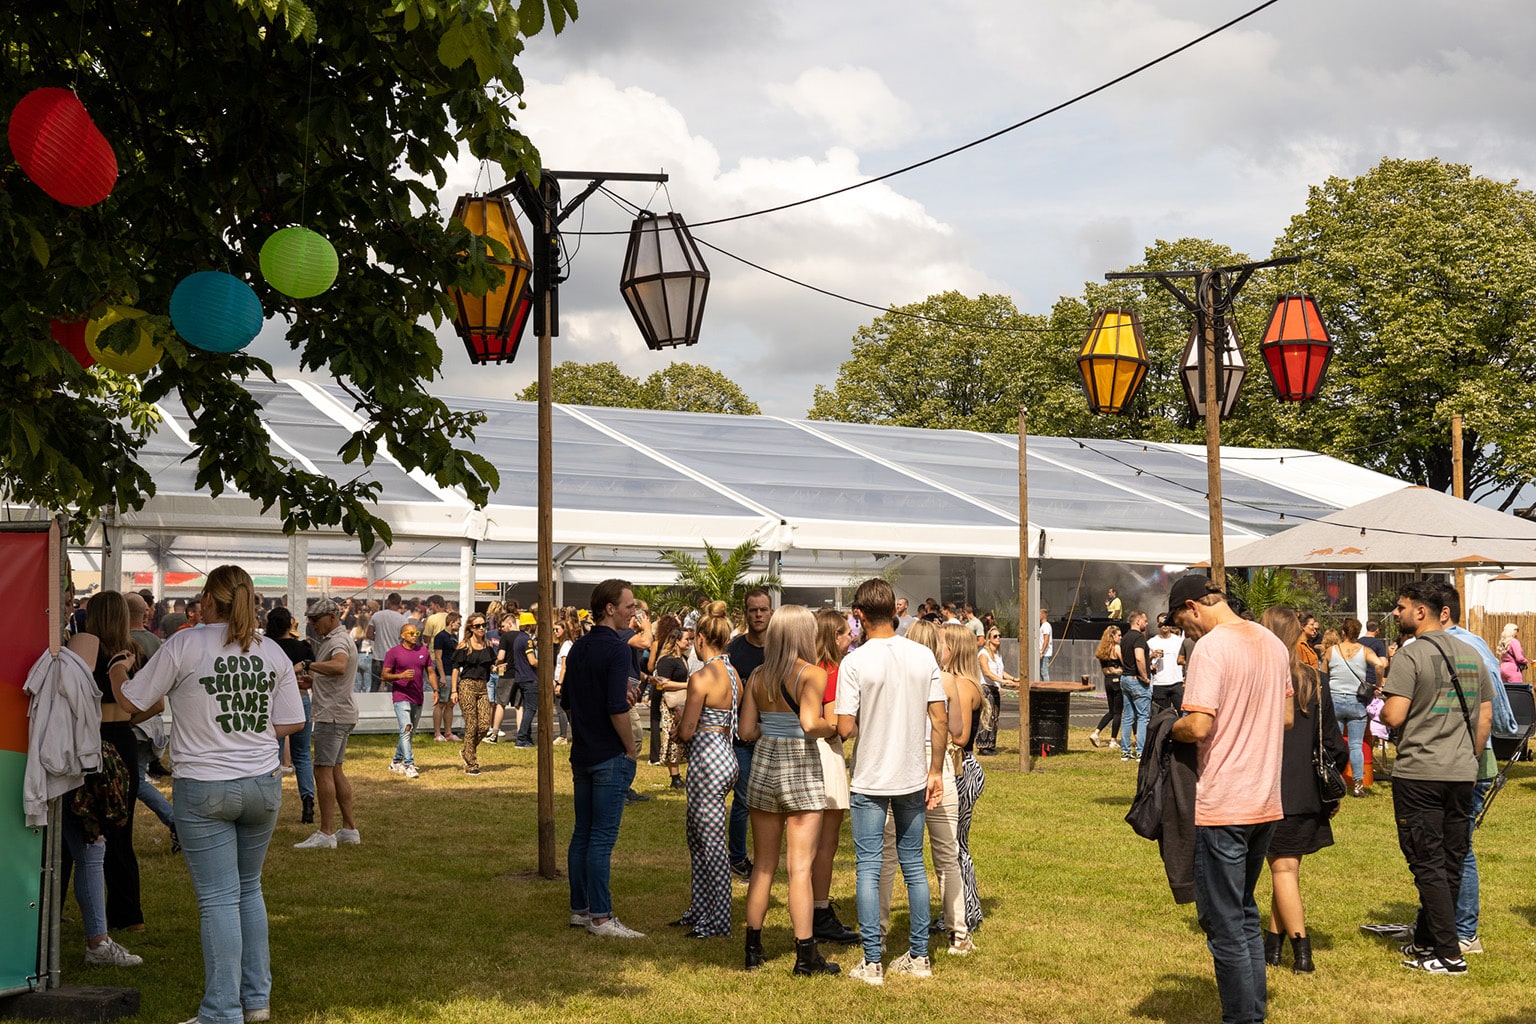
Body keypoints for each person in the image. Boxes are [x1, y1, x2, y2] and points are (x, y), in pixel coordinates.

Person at [120, 564, 306, 1024]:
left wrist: (117, 669)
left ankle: (222, 1011)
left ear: (208, 597)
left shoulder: (184, 643)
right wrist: (250, 732)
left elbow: (132, 701)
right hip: (262, 783)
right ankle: (256, 1000)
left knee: (220, 898)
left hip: (204, 785)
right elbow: (292, 721)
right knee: (248, 890)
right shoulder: (272, 652)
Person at [1166, 575, 1293, 1024]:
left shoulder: (1212, 647)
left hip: (1223, 800)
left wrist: (1166, 728)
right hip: (1265, 799)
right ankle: (1252, 1011)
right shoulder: (1274, 644)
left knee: (1224, 924)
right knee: (1242, 913)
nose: (1187, 633)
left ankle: (1243, 1018)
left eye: (1183, 623)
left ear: (1193, 607)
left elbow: (1198, 726)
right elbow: (1287, 716)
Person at [1374, 580, 1494, 975]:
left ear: (1421, 611)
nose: (1396, 613)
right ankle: (1428, 942)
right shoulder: (1473, 654)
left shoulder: (1411, 656)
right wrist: (1468, 758)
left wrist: (1381, 706)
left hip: (1420, 772)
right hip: (1462, 772)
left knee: (1427, 862)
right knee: (1450, 861)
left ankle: (1448, 955)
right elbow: (1486, 718)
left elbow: (1393, 715)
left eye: (1401, 606)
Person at [835, 578, 948, 986]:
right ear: (897, 612)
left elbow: (845, 727)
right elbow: (940, 720)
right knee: (914, 866)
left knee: (868, 867)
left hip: (869, 775)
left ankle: (872, 962)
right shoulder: (923, 656)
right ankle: (919, 957)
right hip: (912, 774)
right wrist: (935, 770)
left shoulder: (855, 661)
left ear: (860, 615)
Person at [738, 605, 839, 976]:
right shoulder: (812, 674)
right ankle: (805, 955)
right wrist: (833, 727)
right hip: (800, 767)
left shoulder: (759, 675)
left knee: (763, 865)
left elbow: (747, 730)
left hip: (764, 765)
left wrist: (773, 727)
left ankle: (753, 948)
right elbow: (811, 723)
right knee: (800, 867)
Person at [61, 592, 155, 967]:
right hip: (123, 741)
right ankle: (129, 914)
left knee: (80, 834)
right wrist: (125, 718)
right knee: (120, 832)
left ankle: (59, 909)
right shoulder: (133, 652)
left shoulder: (84, 649)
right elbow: (157, 702)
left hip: (93, 742)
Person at [1258, 607, 1347, 974]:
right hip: (1308, 788)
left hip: (1270, 786)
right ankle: (1272, 947)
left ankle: (1302, 954)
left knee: (1283, 871)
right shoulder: (1316, 680)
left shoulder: (1262, 679)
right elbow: (1334, 744)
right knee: (1287, 869)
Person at [562, 579, 645, 939]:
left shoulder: (578, 647)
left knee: (583, 833)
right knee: (600, 838)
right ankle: (600, 916)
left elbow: (567, 699)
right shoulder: (617, 649)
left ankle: (581, 909)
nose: (634, 613)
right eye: (629, 606)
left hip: (582, 752)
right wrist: (630, 747)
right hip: (608, 754)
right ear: (609, 608)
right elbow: (615, 707)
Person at [672, 602, 741, 939]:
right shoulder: (732, 673)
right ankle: (701, 908)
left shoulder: (701, 676)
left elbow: (687, 730)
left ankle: (717, 919)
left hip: (707, 758)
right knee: (698, 835)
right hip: (725, 753)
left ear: (700, 639)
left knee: (709, 841)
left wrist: (681, 724)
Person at [294, 598, 361, 849]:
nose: (312, 625)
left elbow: (340, 666)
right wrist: (313, 682)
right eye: (309, 620)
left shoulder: (338, 641)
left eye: (315, 620)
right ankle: (349, 829)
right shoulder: (337, 639)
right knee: (335, 770)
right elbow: (334, 674)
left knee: (322, 771)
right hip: (341, 713)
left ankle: (326, 832)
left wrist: (308, 665)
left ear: (332, 617)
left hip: (331, 715)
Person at [940, 622, 986, 950]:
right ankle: (959, 910)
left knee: (957, 845)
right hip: (960, 768)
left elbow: (960, 737)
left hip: (963, 769)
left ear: (953, 648)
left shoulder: (963, 685)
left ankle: (967, 911)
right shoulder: (957, 682)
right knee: (955, 844)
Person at [726, 588, 773, 880]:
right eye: (753, 610)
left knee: (769, 799)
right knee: (743, 799)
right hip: (740, 738)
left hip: (772, 735)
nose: (758, 615)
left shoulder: (779, 649)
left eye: (763, 609)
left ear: (771, 612)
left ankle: (766, 857)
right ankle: (738, 857)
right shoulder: (733, 650)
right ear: (746, 613)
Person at [1323, 619, 1389, 798]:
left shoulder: (1331, 651)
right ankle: (1358, 784)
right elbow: (1380, 664)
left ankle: (1331, 780)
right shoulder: (1365, 651)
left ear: (1343, 632)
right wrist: (1376, 684)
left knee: (1331, 743)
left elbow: (1323, 675)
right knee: (1355, 745)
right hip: (1356, 701)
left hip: (1335, 700)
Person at [265, 607, 316, 824]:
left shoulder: (266, 647)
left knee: (272, 754)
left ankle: (271, 805)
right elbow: (311, 676)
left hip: (273, 700)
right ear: (290, 624)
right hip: (300, 697)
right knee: (302, 754)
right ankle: (308, 804)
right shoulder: (302, 647)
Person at [383, 623, 435, 778]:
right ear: (403, 635)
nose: (415, 635)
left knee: (409, 733)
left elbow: (430, 672)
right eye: (411, 633)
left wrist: (436, 690)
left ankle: (395, 762)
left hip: (417, 696)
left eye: (416, 632)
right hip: (401, 696)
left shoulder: (423, 651)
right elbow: (384, 675)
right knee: (406, 728)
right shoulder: (394, 653)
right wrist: (401, 676)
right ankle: (409, 764)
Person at [451, 614, 496, 775]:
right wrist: (454, 690)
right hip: (467, 686)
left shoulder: (488, 645)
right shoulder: (465, 645)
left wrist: (496, 668)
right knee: (472, 725)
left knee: (484, 725)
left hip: (482, 686)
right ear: (471, 628)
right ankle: (471, 763)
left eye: (483, 625)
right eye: (478, 626)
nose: (482, 628)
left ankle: (466, 751)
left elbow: (491, 665)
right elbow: (456, 668)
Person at [649, 617, 690, 789]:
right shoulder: (667, 661)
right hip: (671, 705)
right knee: (673, 738)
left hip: (683, 703)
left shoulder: (682, 659)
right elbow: (662, 683)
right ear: (676, 641)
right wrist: (688, 684)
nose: (689, 642)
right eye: (686, 639)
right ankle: (675, 777)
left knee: (682, 739)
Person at [1119, 611, 1153, 761]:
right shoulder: (1139, 637)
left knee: (1127, 717)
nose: (1147, 623)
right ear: (1138, 621)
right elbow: (1139, 658)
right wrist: (1145, 677)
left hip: (1125, 678)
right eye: (1145, 620)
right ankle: (1141, 751)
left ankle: (1125, 751)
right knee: (1143, 717)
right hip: (1137, 681)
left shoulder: (1125, 637)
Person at [976, 627, 1013, 755]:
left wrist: (1013, 679)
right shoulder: (983, 654)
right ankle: (983, 746)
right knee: (987, 716)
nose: (998, 638)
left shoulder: (997, 655)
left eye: (999, 636)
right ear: (989, 639)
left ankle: (991, 744)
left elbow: (1000, 671)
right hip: (986, 688)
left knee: (994, 717)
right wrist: (1002, 681)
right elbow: (987, 672)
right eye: (995, 636)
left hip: (994, 688)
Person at [1088, 626, 1123, 749]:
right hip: (1117, 681)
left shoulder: (1102, 650)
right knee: (1118, 712)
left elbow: (1104, 670)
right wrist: (1120, 670)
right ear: (1113, 636)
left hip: (1107, 680)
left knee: (1111, 711)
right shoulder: (1116, 648)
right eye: (1118, 635)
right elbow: (1125, 664)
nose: (1120, 637)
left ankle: (1096, 732)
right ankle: (1113, 740)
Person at [366, 593, 409, 693]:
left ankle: (372, 707)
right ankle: (391, 706)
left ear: (388, 601)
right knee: (393, 686)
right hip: (395, 658)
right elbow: (405, 639)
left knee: (375, 686)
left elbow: (369, 634)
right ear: (400, 603)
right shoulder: (403, 619)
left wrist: (379, 639)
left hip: (378, 657)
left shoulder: (377, 616)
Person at [432, 612, 461, 741]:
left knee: (450, 703)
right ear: (452, 622)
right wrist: (442, 676)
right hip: (445, 673)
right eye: (458, 622)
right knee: (441, 703)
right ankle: (437, 733)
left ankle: (448, 732)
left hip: (454, 673)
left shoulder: (454, 637)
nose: (460, 625)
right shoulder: (440, 636)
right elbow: (438, 657)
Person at [1147, 617, 1185, 710]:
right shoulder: (1151, 642)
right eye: (1162, 624)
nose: (1165, 626)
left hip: (1177, 681)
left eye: (1167, 623)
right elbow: (1144, 661)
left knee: (1182, 712)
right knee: (1162, 715)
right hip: (1159, 682)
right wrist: (1152, 656)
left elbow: (1185, 658)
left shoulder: (1179, 641)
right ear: (1158, 625)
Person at [1037, 607, 1053, 681]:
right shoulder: (1042, 626)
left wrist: (1041, 652)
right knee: (1042, 672)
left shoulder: (1046, 625)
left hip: (1045, 653)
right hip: (1044, 653)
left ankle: (1047, 688)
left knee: (1044, 672)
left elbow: (1046, 639)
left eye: (1039, 614)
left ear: (1043, 615)